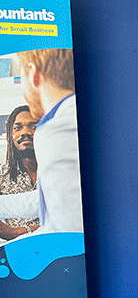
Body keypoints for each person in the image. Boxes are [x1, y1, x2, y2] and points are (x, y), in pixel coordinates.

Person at [0, 49, 83, 234]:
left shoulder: (58, 129)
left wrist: (20, 236)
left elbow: (69, 228)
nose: (26, 133)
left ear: (33, 73)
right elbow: (50, 199)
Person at [0, 105, 39, 241]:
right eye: (18, 128)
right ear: (10, 135)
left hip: (60, 246)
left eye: (33, 126)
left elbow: (70, 219)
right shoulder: (2, 175)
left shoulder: (59, 171)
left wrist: (17, 232)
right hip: (18, 250)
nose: (25, 132)